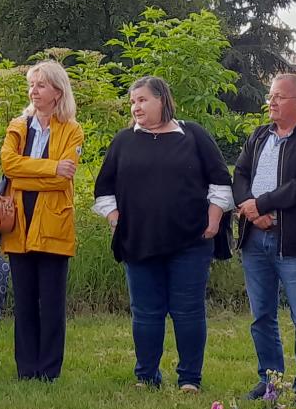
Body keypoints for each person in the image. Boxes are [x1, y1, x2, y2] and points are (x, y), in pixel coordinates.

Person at [93, 76, 233, 392]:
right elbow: (103, 189)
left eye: (142, 99)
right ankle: (146, 376)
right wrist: (115, 218)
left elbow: (220, 181)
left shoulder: (193, 135)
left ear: (161, 100)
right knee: (145, 312)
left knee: (188, 311)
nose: (136, 106)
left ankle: (189, 379)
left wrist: (212, 219)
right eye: (132, 101)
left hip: (191, 242)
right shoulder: (124, 141)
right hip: (139, 241)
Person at [228, 72, 296, 404]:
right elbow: (240, 173)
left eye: (279, 97)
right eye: (270, 96)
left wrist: (262, 203)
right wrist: (250, 209)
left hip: (293, 242)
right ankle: (269, 381)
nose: (270, 102)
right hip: (255, 239)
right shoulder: (260, 136)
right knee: (262, 316)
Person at [0, 60, 85, 383]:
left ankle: (49, 370)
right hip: (18, 222)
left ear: (57, 92)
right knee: (23, 301)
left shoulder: (71, 129)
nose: (34, 91)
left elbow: (65, 179)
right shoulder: (18, 125)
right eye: (32, 85)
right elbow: (9, 165)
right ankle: (26, 369)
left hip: (53, 224)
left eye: (41, 85)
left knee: (50, 303)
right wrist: (49, 168)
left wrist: (27, 172)